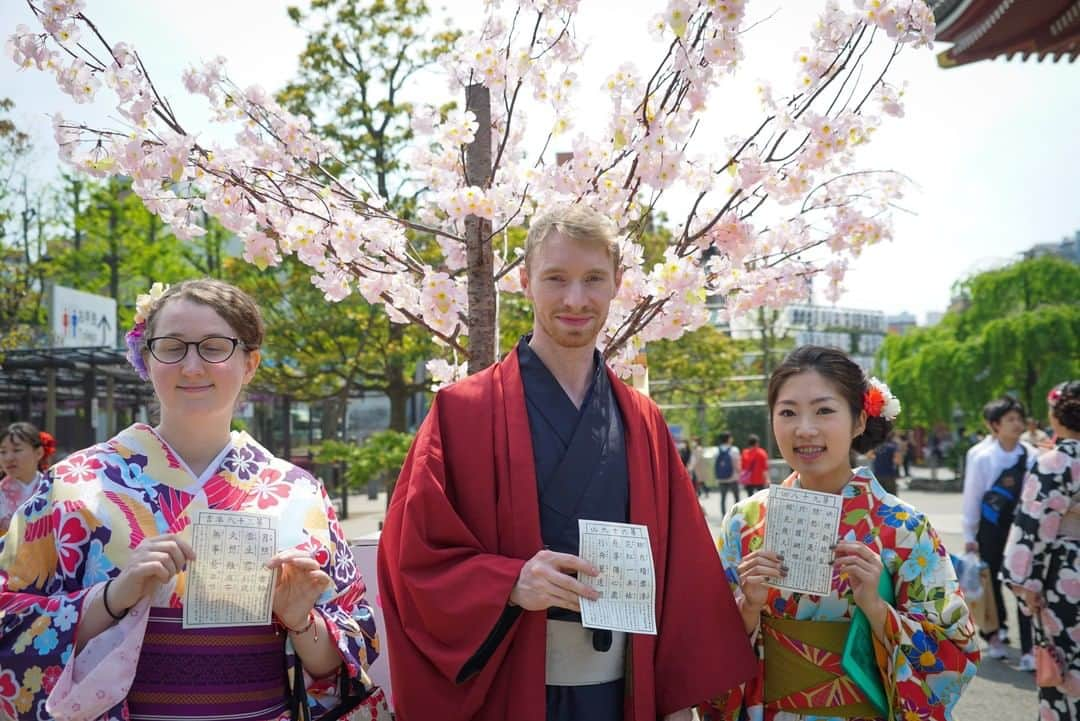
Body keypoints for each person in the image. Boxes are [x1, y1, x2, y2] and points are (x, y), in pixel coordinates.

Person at [377, 204, 755, 721]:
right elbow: (411, 559)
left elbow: (682, 569)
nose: (575, 299)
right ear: (526, 281)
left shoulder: (641, 419)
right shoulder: (462, 410)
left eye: (593, 279)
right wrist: (507, 584)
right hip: (507, 683)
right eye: (556, 278)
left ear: (617, 283)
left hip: (620, 690)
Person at [0, 279, 384, 720]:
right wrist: (111, 597)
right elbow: (8, 617)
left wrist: (299, 620)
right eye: (172, 347)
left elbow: (348, 654)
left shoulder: (297, 491)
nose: (192, 366)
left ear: (251, 362)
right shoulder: (73, 484)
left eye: (215, 347)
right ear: (146, 358)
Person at [700, 345, 979, 721]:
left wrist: (878, 610)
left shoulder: (903, 527)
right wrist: (747, 608)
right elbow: (702, 642)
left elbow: (954, 649)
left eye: (824, 410)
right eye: (787, 413)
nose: (805, 429)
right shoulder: (744, 520)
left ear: (860, 421)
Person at [1002, 381, 1080, 715]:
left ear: (1058, 416)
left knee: (1064, 669)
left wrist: (1026, 584)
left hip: (1066, 575)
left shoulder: (1055, 462)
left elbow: (1035, 529)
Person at [960, 395, 1036, 668]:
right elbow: (972, 496)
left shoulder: (1031, 455)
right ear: (994, 425)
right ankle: (994, 633)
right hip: (990, 529)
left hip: (1021, 528)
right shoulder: (980, 456)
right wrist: (969, 535)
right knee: (989, 582)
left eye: (1019, 419)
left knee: (1023, 584)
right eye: (1010, 420)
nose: (1017, 424)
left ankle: (1030, 648)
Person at [0, 422, 56, 535]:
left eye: (17, 450)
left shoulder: (55, 489)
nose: (8, 458)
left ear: (39, 453)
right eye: (3, 452)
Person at [713, 431, 741, 515]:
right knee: (736, 498)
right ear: (728, 439)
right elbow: (736, 465)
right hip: (733, 478)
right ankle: (736, 515)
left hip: (721, 478)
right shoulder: (734, 450)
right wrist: (740, 472)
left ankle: (723, 516)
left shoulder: (716, 450)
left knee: (723, 498)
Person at [869, 431, 902, 495]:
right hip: (889, 475)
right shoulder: (894, 446)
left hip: (877, 475)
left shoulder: (876, 445)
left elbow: (869, 455)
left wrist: (878, 458)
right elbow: (897, 460)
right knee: (892, 498)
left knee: (879, 497)